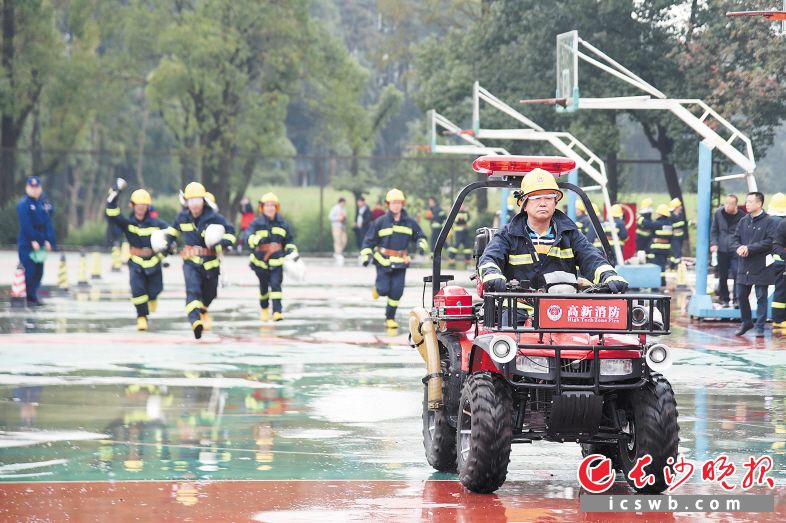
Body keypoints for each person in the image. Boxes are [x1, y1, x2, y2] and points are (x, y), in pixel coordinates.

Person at [478, 168, 628, 311]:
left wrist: (609, 276)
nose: (543, 203)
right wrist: (492, 275)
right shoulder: (508, 235)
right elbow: (489, 258)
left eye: (549, 197)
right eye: (536, 198)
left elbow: (592, 258)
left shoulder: (570, 234)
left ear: (555, 202)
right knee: (503, 337)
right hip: (516, 312)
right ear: (524, 204)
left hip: (563, 312)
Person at [165, 182, 236, 339]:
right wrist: (168, 244)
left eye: (197, 200)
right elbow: (171, 233)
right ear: (186, 201)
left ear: (203, 201)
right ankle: (195, 322)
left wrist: (223, 242)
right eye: (191, 200)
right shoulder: (182, 217)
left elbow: (231, 233)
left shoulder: (214, 218)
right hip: (190, 263)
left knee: (210, 294)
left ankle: (203, 310)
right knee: (192, 291)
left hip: (211, 263)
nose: (194, 204)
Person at [359, 188, 429, 330]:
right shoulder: (380, 222)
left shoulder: (410, 223)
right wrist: (366, 255)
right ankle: (378, 290)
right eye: (393, 203)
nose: (396, 205)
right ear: (388, 204)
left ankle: (390, 318)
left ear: (402, 204)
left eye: (398, 202)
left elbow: (420, 236)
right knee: (384, 289)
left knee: (396, 292)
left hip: (401, 264)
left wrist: (421, 246)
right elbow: (369, 240)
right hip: (383, 262)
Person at [106, 183, 169, 331]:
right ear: (132, 205)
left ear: (148, 206)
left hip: (153, 261)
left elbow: (171, 234)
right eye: (138, 205)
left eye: (144, 205)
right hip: (136, 262)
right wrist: (115, 194)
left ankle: (152, 299)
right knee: (137, 290)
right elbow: (112, 214)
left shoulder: (156, 223)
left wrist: (168, 246)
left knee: (156, 289)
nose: (141, 208)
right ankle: (141, 317)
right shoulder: (128, 224)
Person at [247, 193, 297, 322]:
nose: (270, 208)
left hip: (277, 261)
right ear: (262, 208)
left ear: (276, 207)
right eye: (267, 205)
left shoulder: (283, 224)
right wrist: (257, 239)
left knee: (276, 285)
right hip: (260, 262)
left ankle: (277, 312)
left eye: (272, 205)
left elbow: (289, 241)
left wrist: (291, 250)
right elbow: (248, 237)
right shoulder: (256, 223)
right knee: (264, 288)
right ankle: (264, 308)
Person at [731, 192, 774, 337]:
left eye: (750, 202)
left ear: (759, 204)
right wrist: (738, 247)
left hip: (761, 265)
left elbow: (770, 242)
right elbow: (735, 239)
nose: (747, 204)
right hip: (744, 265)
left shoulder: (769, 221)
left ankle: (760, 326)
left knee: (761, 296)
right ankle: (746, 322)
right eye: (747, 201)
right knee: (741, 295)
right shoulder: (743, 221)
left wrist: (750, 248)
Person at [16, 176, 57, 306]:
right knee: (29, 270)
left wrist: (48, 240)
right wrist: (33, 239)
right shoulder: (23, 204)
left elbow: (46, 223)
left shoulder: (43, 204)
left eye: (37, 187)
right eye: (32, 187)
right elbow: (26, 224)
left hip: (41, 240)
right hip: (27, 242)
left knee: (39, 271)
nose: (35, 190)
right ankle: (28, 296)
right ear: (27, 188)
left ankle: (33, 295)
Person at [710, 194, 743, 307]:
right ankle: (724, 299)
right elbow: (714, 230)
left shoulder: (742, 216)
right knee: (722, 275)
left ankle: (737, 299)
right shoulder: (719, 213)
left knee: (736, 273)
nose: (727, 206)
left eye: (730, 204)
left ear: (735, 205)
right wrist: (714, 243)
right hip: (722, 249)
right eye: (726, 203)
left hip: (736, 249)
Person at [768, 193, 786, 329]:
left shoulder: (769, 220)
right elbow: (777, 244)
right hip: (782, 262)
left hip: (777, 261)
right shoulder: (782, 224)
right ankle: (779, 319)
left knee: (780, 291)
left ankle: (778, 319)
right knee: (781, 291)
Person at [647, 204, 674, 287]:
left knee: (658, 266)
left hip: (657, 249)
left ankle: (659, 282)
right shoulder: (669, 224)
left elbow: (649, 225)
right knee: (663, 265)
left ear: (660, 213)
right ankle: (663, 281)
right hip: (666, 249)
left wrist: (641, 219)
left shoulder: (657, 223)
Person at [329, 197, 347, 264]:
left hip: (343, 227)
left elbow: (345, 218)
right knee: (337, 241)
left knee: (344, 241)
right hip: (336, 227)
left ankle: (338, 253)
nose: (344, 204)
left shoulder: (344, 209)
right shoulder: (335, 208)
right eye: (343, 203)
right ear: (340, 202)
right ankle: (338, 254)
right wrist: (338, 218)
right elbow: (330, 217)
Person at [669, 197, 686, 268]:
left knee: (674, 254)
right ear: (676, 207)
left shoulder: (680, 215)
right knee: (678, 253)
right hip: (674, 238)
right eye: (680, 206)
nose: (681, 207)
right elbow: (671, 226)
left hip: (680, 237)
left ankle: (672, 266)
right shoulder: (671, 217)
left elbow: (684, 223)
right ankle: (678, 267)